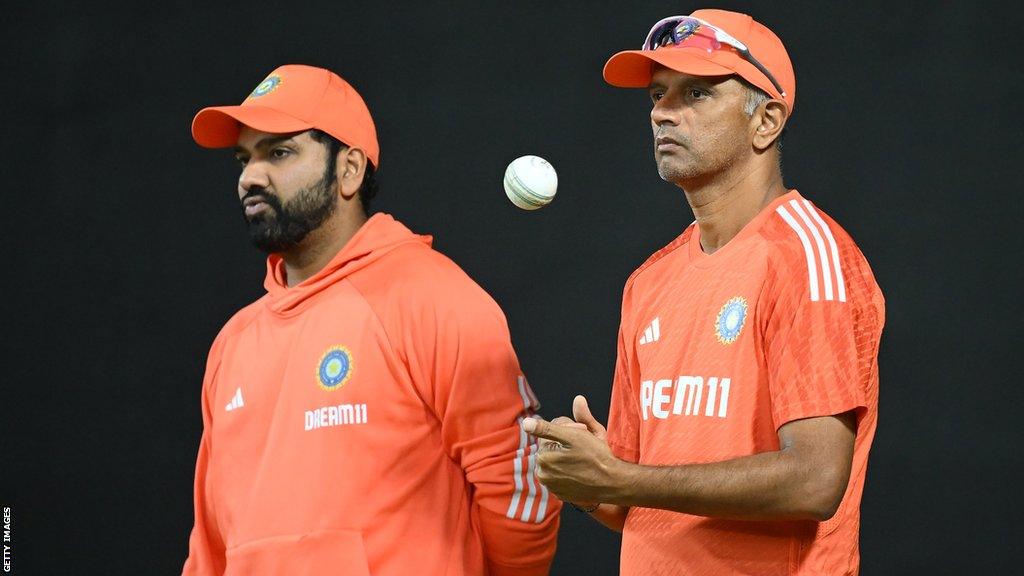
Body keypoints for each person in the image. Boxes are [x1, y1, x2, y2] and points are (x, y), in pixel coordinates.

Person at [524, 9, 884, 575]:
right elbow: (636, 504)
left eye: (696, 94)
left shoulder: (808, 258)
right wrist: (590, 479)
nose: (664, 114)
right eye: (657, 96)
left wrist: (624, 478)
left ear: (765, 121)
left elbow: (815, 481)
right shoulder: (649, 282)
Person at [181, 64, 559, 576]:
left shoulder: (434, 300)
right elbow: (210, 545)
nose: (251, 175)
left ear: (349, 170)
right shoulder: (233, 343)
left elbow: (520, 486)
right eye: (245, 158)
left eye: (279, 151)